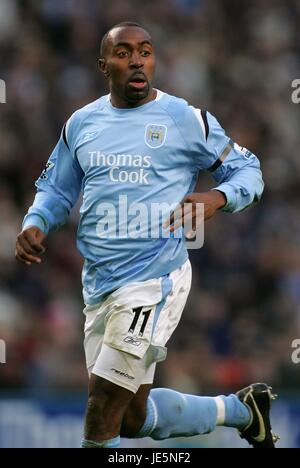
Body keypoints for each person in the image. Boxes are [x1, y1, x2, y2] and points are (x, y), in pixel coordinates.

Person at [16, 22, 278, 448]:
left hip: (154, 281)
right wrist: (35, 222)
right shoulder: (82, 123)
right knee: (131, 418)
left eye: (145, 51)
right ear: (104, 65)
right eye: (123, 53)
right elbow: (56, 189)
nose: (137, 60)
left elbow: (249, 171)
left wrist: (218, 198)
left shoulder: (184, 118)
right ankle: (243, 411)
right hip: (100, 286)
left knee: (101, 408)